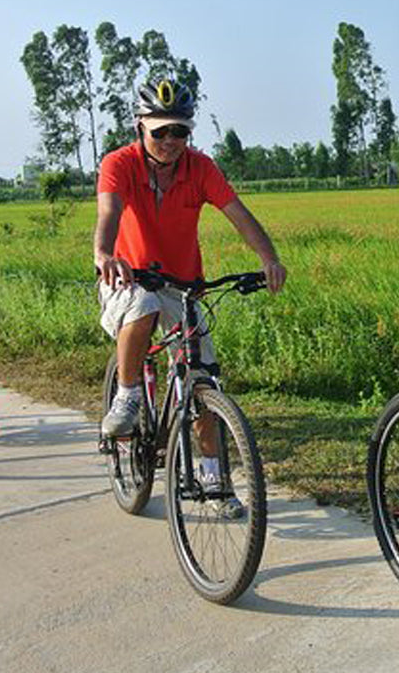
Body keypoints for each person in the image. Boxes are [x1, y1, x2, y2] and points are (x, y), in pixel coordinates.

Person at [94, 79, 286, 501]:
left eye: (179, 131)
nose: (170, 140)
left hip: (183, 287)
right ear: (139, 126)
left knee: (204, 383)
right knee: (142, 306)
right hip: (128, 278)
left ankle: (215, 479)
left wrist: (268, 258)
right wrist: (104, 253)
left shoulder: (200, 167)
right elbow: (109, 211)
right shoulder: (119, 163)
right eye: (159, 131)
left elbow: (239, 214)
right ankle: (127, 397)